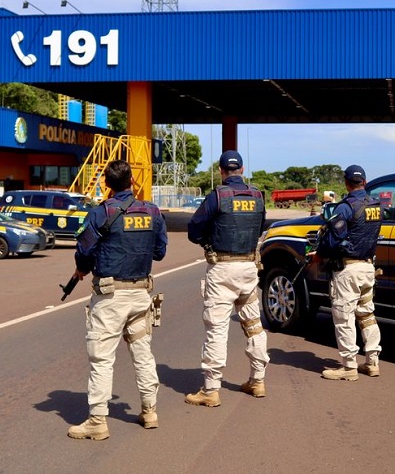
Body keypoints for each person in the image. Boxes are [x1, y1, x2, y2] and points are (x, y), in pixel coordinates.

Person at [68, 160, 168, 441]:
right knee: (142, 353)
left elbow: (84, 251)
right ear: (132, 181)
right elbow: (160, 252)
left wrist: (82, 268)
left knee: (102, 359)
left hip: (110, 297)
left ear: (107, 184)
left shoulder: (101, 213)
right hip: (141, 294)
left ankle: (97, 421)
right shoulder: (152, 211)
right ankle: (150, 411)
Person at [185, 150, 269, 406]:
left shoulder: (217, 196)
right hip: (249, 267)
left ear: (221, 171)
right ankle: (257, 380)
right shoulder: (257, 196)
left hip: (222, 268)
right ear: (242, 170)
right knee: (253, 324)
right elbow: (261, 227)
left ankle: (211, 389)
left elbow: (194, 229)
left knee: (217, 328)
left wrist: (209, 239)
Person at [315, 164, 383, 381]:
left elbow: (332, 239)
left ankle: (349, 367)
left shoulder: (345, 207)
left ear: (346, 183)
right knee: (367, 315)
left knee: (344, 317)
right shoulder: (376, 205)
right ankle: (372, 362)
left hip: (349, 270)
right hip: (368, 268)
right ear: (364, 181)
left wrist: (319, 254)